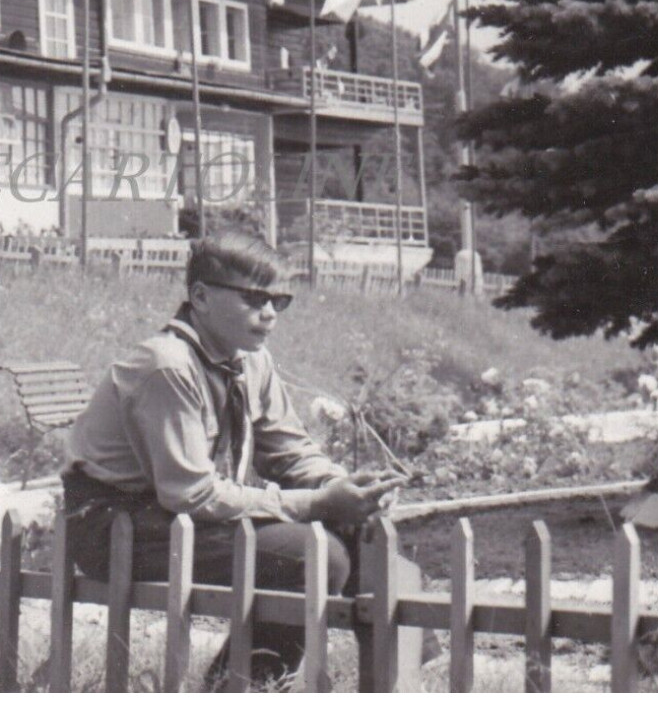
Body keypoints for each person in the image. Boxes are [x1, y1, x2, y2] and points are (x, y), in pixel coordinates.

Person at [61, 231, 406, 688]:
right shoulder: (168, 366)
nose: (269, 314)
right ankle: (238, 688)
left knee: (368, 535)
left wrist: (342, 487)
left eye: (279, 301)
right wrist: (318, 504)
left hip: (170, 516)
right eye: (254, 299)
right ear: (201, 297)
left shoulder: (252, 361)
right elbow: (191, 494)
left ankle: (392, 687)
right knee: (315, 557)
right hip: (113, 522)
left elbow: (289, 449)